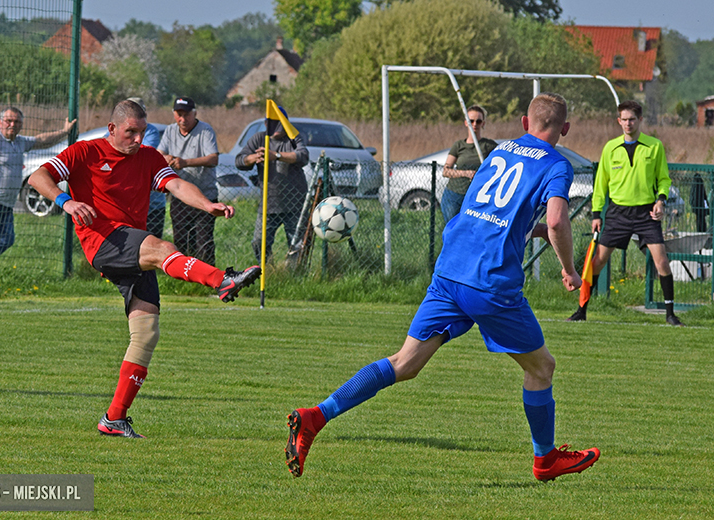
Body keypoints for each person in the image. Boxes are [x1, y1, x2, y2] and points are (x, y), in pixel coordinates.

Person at [285, 93, 600, 481]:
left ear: (524, 123)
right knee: (542, 368)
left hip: (450, 270)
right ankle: (545, 459)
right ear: (564, 129)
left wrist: (528, 232)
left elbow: (488, 216)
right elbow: (556, 222)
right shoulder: (557, 164)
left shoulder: (499, 153)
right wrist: (568, 269)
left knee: (405, 364)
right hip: (489, 281)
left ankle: (315, 417)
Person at [28, 100, 260, 438]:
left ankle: (114, 419)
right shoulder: (84, 152)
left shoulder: (150, 157)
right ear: (112, 129)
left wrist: (207, 204)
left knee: (146, 333)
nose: (137, 139)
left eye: (141, 132)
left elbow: (177, 185)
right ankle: (222, 280)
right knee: (163, 248)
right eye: (130, 132)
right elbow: (38, 176)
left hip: (132, 246)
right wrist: (67, 201)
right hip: (102, 240)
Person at [567, 100, 684, 326]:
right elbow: (600, 185)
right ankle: (581, 310)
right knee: (598, 261)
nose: (628, 123)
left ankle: (670, 314)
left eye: (632, 119)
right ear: (618, 121)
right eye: (624, 119)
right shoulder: (610, 148)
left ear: (640, 120)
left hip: (646, 214)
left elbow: (663, 179)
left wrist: (661, 200)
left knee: (662, 262)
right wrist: (596, 214)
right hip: (617, 214)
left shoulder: (655, 146)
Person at [0, 107, 75, 268]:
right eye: (9, 121)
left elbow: (42, 141)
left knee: (6, 239)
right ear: (1, 122)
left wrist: (65, 132)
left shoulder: (20, 142)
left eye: (17, 122)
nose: (12, 125)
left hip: (6, 203)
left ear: (21, 124)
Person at [234, 106, 309, 264]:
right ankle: (269, 270)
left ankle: (293, 274)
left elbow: (303, 156)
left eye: (278, 123)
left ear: (286, 123)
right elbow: (239, 160)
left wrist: (277, 156)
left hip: (295, 204)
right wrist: (254, 158)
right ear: (265, 123)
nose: (274, 126)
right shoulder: (259, 139)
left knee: (296, 244)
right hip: (268, 204)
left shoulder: (293, 139)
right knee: (258, 243)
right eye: (270, 122)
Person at [157, 97, 219, 264]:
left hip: (204, 196)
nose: (182, 119)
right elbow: (158, 155)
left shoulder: (205, 131)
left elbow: (213, 158)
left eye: (186, 115)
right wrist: (167, 158)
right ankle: (184, 277)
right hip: (179, 197)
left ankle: (208, 279)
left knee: (203, 243)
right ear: (174, 114)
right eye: (179, 114)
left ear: (195, 113)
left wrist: (185, 162)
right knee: (182, 242)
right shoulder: (170, 131)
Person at [103, 97, 165, 238]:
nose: (138, 138)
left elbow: (140, 152)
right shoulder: (111, 133)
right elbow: (109, 147)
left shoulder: (151, 132)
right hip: (124, 208)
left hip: (152, 206)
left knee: (151, 250)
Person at [441, 105, 498, 222]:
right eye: (471, 121)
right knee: (453, 229)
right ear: (466, 123)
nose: (475, 124)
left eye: (478, 121)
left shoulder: (489, 146)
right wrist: (465, 173)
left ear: (483, 123)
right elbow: (446, 171)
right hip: (454, 195)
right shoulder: (459, 146)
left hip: (477, 197)